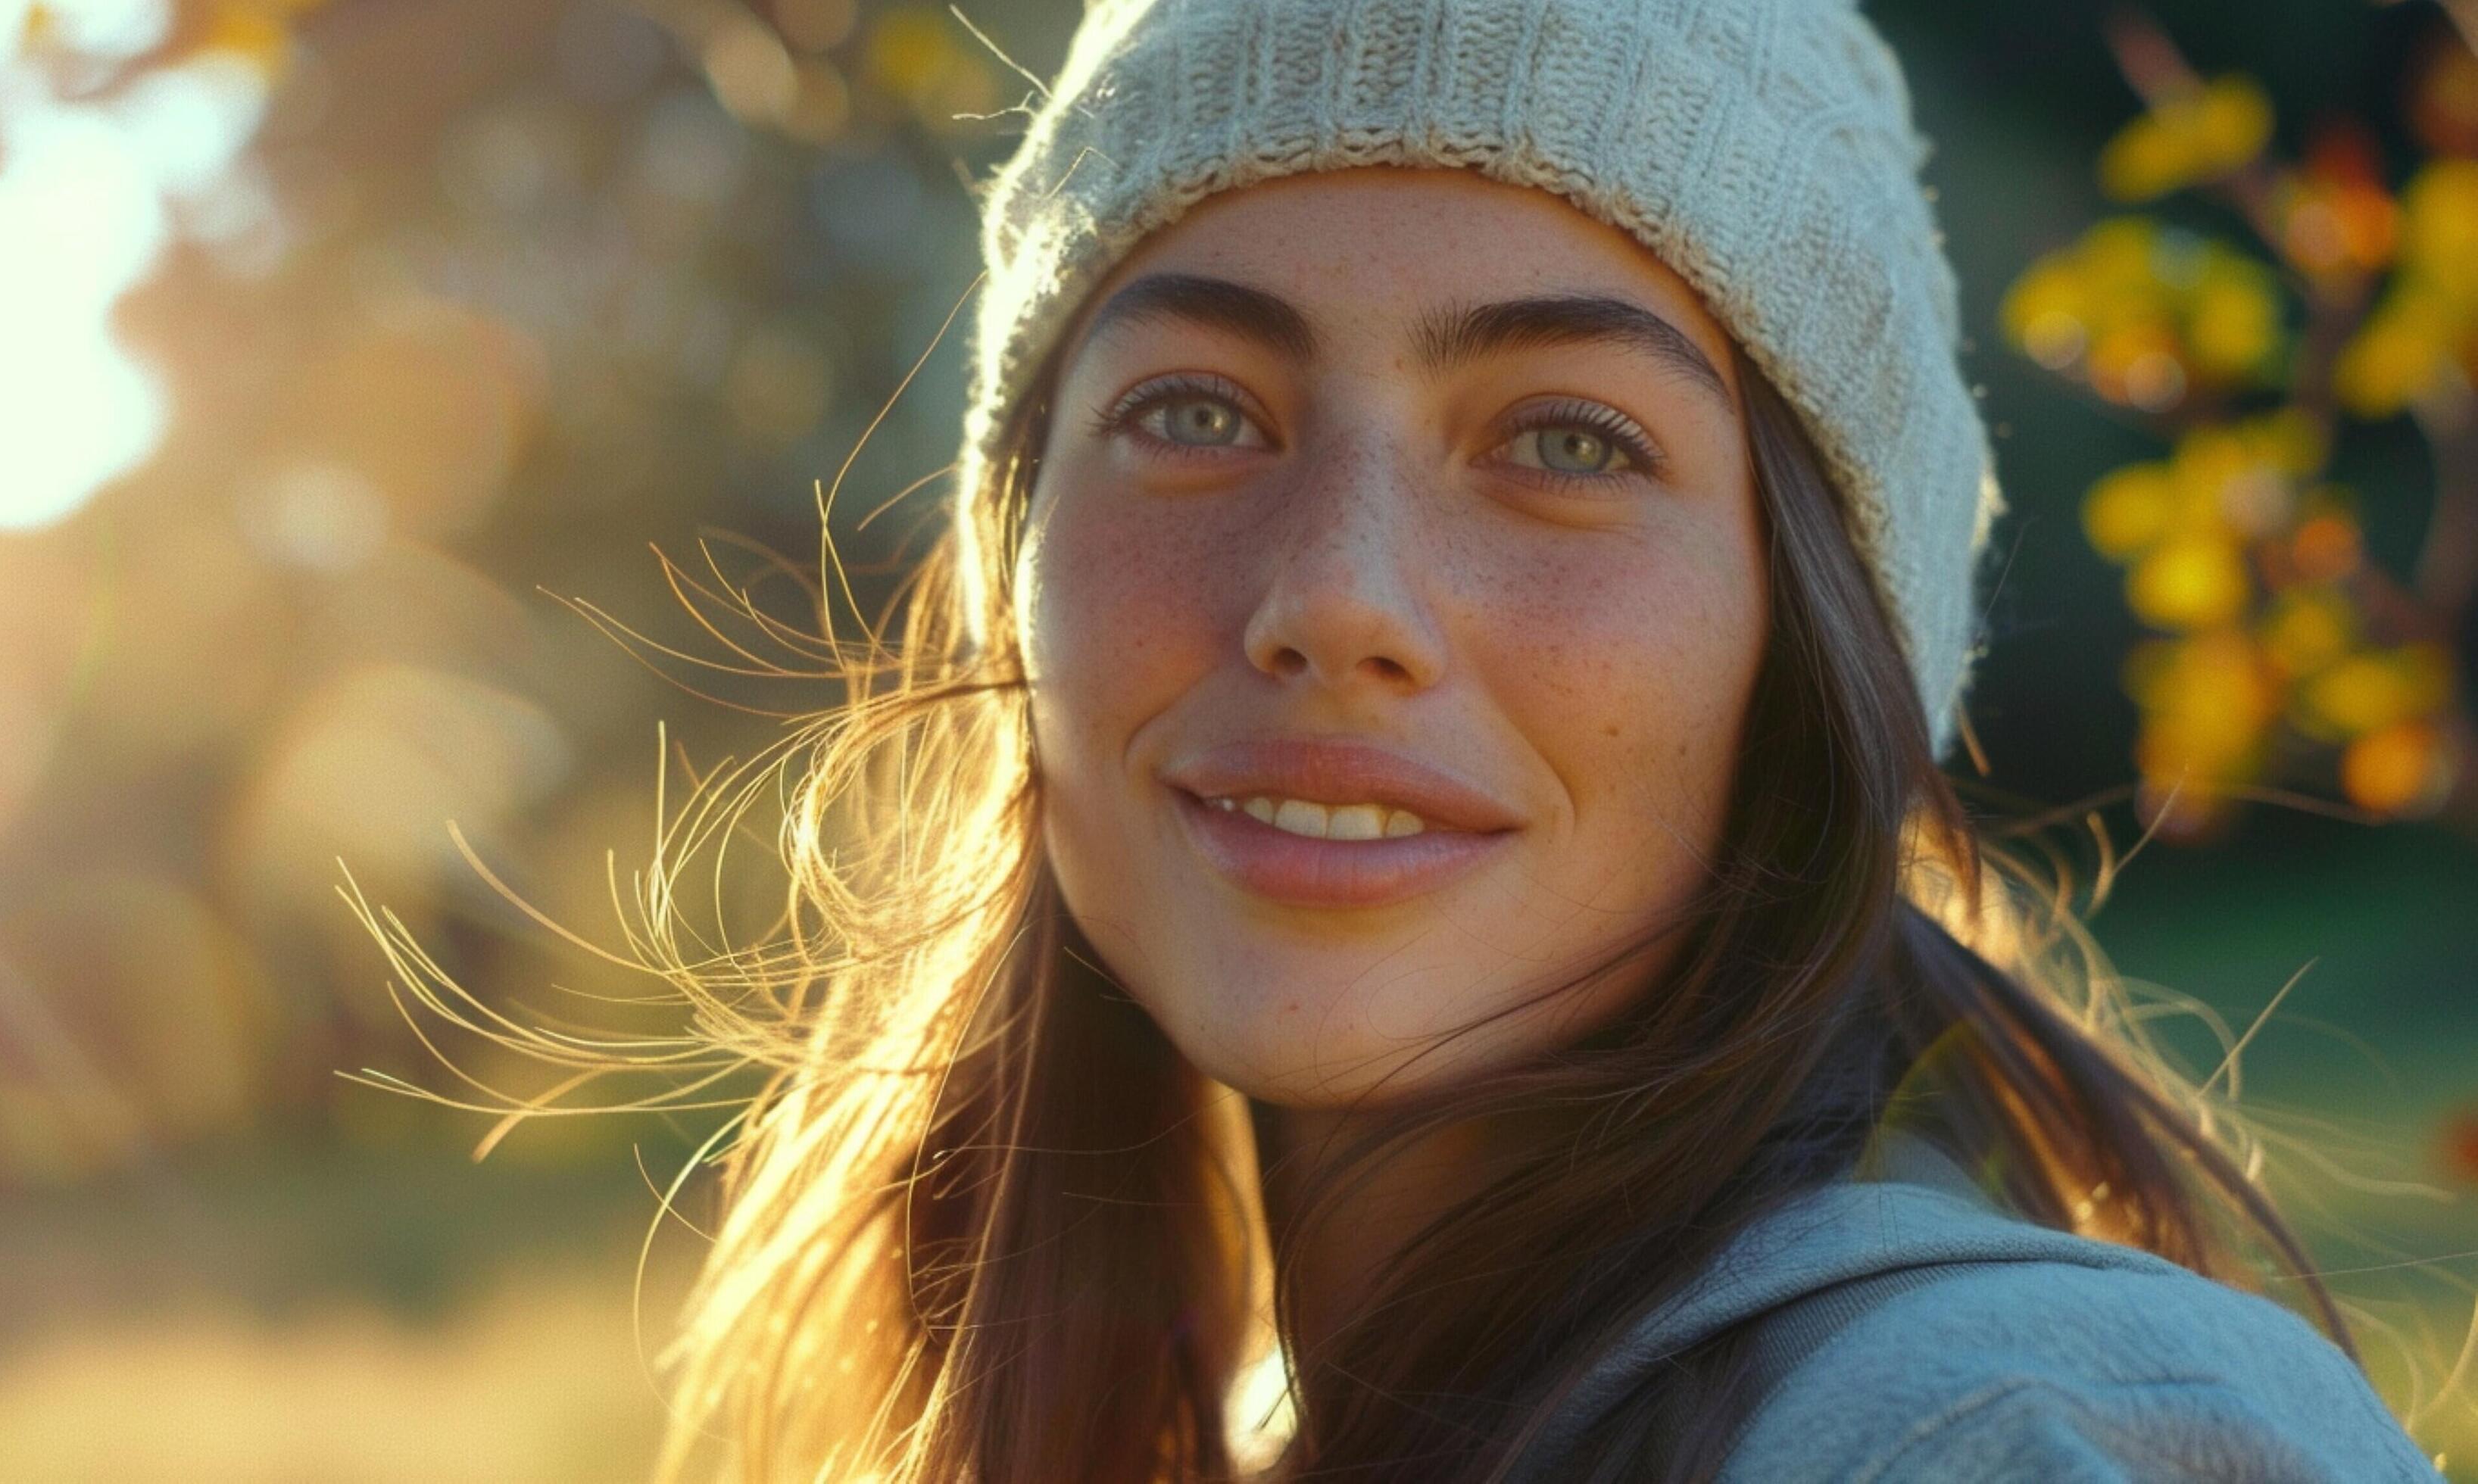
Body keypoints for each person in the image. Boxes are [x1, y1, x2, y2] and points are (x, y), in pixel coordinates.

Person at [628, 0, 2443, 1477]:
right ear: (1012, 578)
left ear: (1810, 648)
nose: (1336, 597)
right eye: (1194, 408)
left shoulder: (1989, 1433)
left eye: (1570, 439)